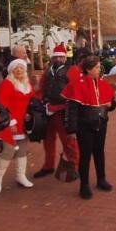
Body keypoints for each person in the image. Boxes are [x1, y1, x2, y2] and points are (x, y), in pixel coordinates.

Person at [63, 55, 116, 200]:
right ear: (88, 69)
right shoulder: (77, 85)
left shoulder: (102, 83)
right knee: (85, 156)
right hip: (84, 125)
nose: (100, 69)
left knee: (99, 152)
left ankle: (101, 179)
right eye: (97, 67)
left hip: (101, 123)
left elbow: (111, 103)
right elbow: (72, 110)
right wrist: (71, 130)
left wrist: (111, 105)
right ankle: (84, 185)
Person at [34, 44, 80, 178]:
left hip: (63, 110)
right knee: (48, 140)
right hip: (48, 109)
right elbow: (41, 88)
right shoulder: (48, 71)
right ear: (53, 58)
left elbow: (76, 90)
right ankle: (48, 166)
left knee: (68, 141)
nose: (58, 59)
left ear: (65, 58)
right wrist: (40, 101)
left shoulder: (72, 70)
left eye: (61, 57)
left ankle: (74, 166)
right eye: (56, 57)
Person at [0, 59, 36, 194]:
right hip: (10, 123)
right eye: (16, 68)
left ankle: (20, 176)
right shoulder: (7, 84)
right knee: (8, 150)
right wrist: (11, 122)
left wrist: (30, 114)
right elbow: (1, 105)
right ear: (11, 70)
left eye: (21, 68)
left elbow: (32, 102)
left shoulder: (27, 85)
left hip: (23, 123)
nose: (19, 71)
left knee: (22, 150)